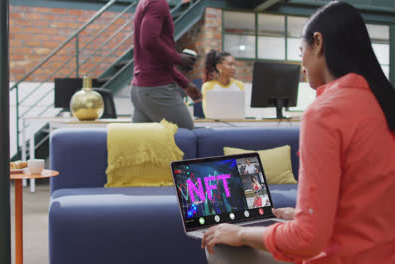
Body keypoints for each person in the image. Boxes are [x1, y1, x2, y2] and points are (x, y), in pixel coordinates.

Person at [201, 1, 395, 263]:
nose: (301, 63)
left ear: (318, 43)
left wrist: (241, 234)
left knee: (220, 245)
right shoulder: (382, 104)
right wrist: (312, 215)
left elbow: (306, 240)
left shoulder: (324, 112)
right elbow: (370, 201)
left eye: (301, 50)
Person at [130, 0, 202, 130]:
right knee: (187, 139)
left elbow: (155, 59)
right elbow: (149, 41)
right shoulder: (158, 2)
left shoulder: (146, 2)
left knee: (144, 147)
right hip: (156, 90)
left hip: (141, 89)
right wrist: (178, 58)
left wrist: (184, 83)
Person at [201, 49, 244, 115]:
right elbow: (207, 113)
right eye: (230, 64)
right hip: (214, 124)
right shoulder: (208, 86)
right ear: (219, 67)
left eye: (234, 65)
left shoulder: (239, 85)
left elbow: (241, 112)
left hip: (236, 123)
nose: (234, 68)